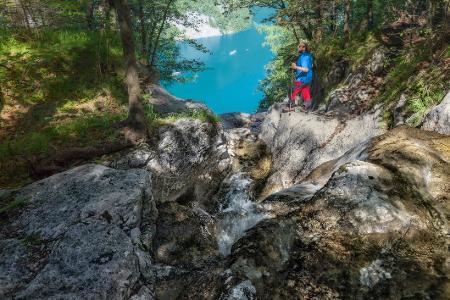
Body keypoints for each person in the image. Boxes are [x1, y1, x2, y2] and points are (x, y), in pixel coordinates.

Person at [290, 42, 313, 111]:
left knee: (293, 91)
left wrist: (295, 66)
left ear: (304, 48)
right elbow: (311, 66)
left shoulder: (304, 57)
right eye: (299, 46)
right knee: (306, 92)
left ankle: (292, 107)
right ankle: (306, 108)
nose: (298, 47)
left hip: (303, 78)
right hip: (308, 78)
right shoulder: (308, 56)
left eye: (300, 46)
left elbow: (306, 69)